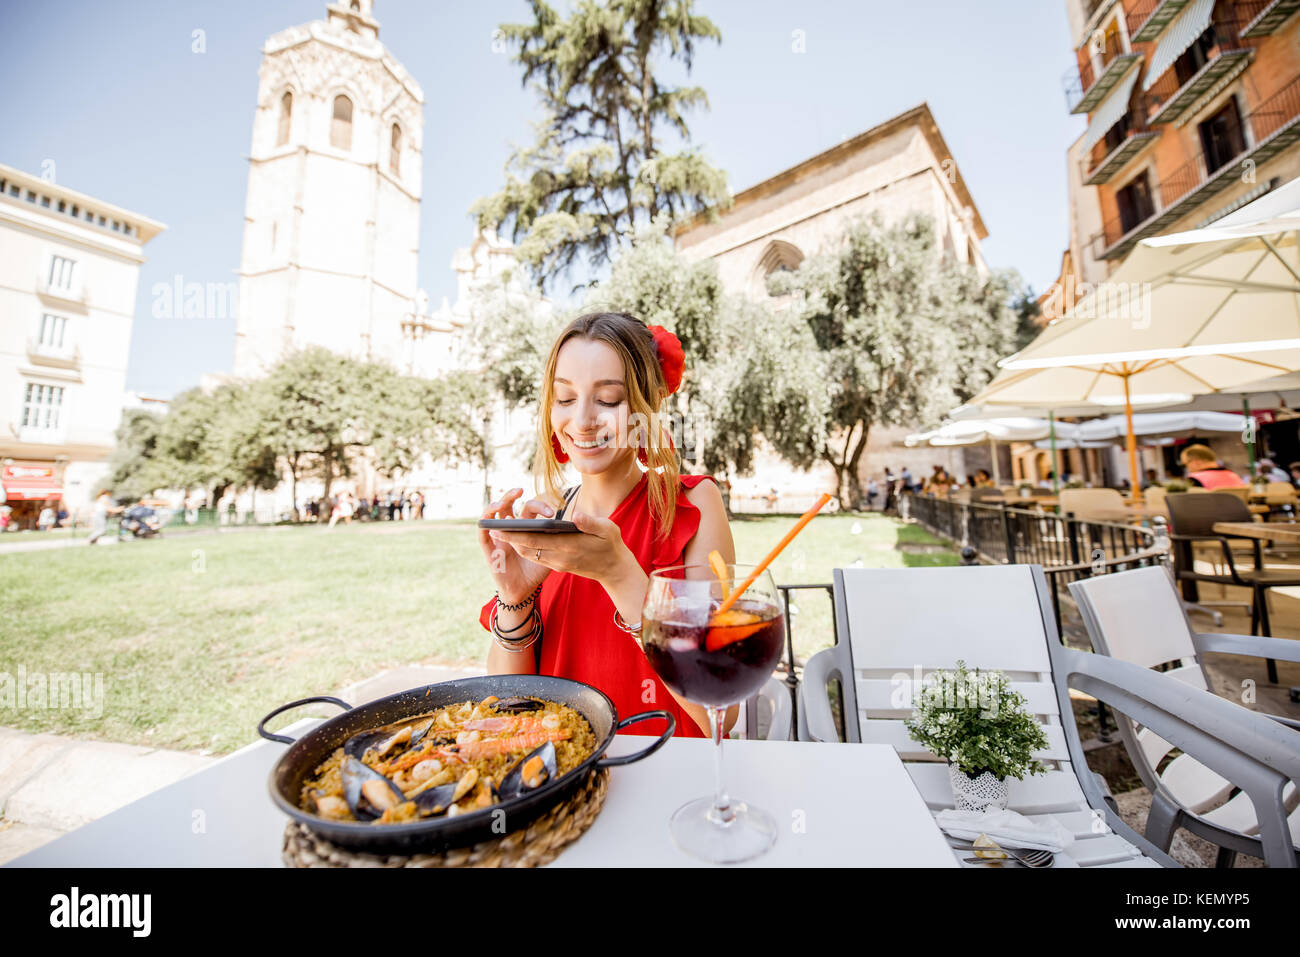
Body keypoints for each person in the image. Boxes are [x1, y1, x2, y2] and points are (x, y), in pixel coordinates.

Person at [478, 312, 733, 739]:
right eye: (565, 398)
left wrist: (619, 574)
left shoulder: (691, 504)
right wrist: (514, 596)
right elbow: (508, 704)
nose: (582, 420)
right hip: (565, 784)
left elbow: (719, 707)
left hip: (668, 780)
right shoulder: (547, 521)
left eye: (609, 399)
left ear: (645, 406)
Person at [1179, 444, 1245, 489]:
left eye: (1185, 464)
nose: (1186, 467)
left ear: (1196, 462)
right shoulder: (1233, 475)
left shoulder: (1194, 479)